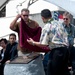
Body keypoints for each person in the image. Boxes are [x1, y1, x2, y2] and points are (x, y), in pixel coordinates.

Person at [27, 9, 71, 75]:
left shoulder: (47, 27)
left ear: (42, 18)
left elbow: (43, 44)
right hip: (65, 50)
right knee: (63, 72)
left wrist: (33, 42)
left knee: (52, 72)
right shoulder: (59, 23)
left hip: (56, 52)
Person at [9, 8, 45, 75]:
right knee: (22, 69)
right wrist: (16, 18)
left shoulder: (34, 23)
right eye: (24, 15)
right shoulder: (19, 24)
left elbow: (39, 34)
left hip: (32, 51)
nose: (25, 17)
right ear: (21, 15)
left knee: (32, 70)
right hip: (22, 51)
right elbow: (11, 27)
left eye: (27, 15)